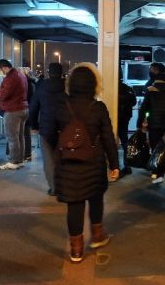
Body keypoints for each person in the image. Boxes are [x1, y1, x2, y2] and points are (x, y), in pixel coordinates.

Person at [54, 64, 120, 263]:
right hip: (94, 161)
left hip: (68, 162)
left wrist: (62, 148)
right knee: (95, 197)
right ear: (93, 85)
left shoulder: (61, 106)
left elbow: (47, 132)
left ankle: (76, 250)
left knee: (74, 204)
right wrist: (114, 164)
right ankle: (97, 236)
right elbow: (108, 138)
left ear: (71, 84)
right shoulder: (98, 108)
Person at [28, 62, 66, 196]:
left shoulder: (42, 86)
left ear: (49, 73)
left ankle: (54, 188)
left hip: (46, 128)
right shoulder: (67, 86)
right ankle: (65, 185)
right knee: (63, 158)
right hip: (64, 128)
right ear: (61, 73)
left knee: (49, 160)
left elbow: (33, 108)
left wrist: (34, 126)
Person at [137, 71, 165, 184]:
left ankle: (156, 172)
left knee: (155, 148)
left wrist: (141, 123)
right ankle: (161, 172)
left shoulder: (150, 90)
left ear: (156, 79)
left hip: (154, 124)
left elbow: (144, 108)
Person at [0, 59, 29, 170]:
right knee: (19, 137)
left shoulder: (11, 77)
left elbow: (4, 95)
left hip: (13, 110)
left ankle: (14, 161)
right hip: (22, 108)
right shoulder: (20, 75)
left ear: (4, 67)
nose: (1, 72)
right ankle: (20, 160)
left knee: (12, 137)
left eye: (0, 70)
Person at [21, 67, 37, 162]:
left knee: (22, 133)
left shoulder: (25, 83)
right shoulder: (32, 83)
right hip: (29, 110)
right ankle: (27, 154)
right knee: (26, 133)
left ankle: (25, 154)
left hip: (23, 109)